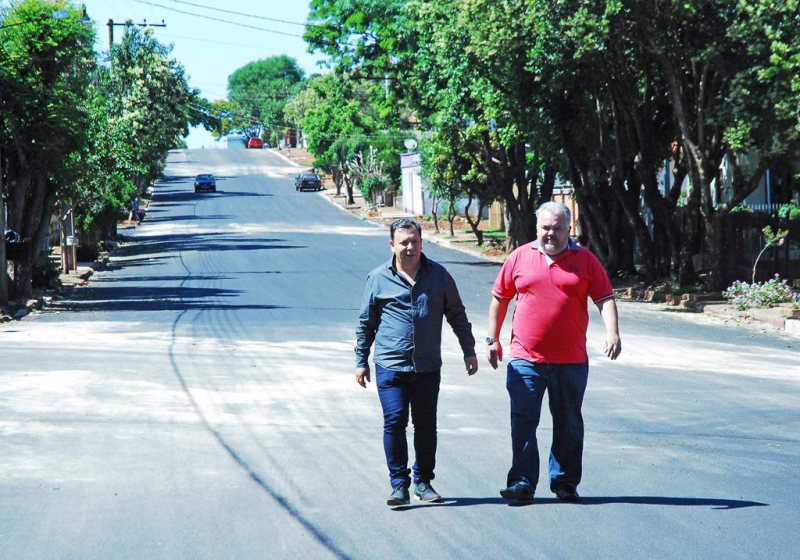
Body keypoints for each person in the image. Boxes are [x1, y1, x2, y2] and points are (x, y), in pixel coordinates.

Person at [487, 201, 621, 503]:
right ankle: (522, 482)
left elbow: (605, 298)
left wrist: (612, 332)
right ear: (537, 228)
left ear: (568, 229)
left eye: (557, 228)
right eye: (545, 228)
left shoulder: (585, 260)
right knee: (523, 420)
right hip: (525, 358)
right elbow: (500, 299)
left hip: (571, 361)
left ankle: (564, 482)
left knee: (568, 423)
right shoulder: (520, 256)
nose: (551, 234)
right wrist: (491, 339)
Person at [356, 218, 479, 506]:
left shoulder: (439, 276)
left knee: (425, 424)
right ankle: (399, 484)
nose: (410, 247)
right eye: (404, 242)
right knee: (395, 421)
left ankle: (423, 482)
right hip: (390, 364)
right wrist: (361, 360)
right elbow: (366, 323)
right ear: (392, 245)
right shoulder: (377, 278)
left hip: (427, 366)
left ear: (422, 243)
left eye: (415, 241)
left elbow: (457, 315)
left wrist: (469, 350)